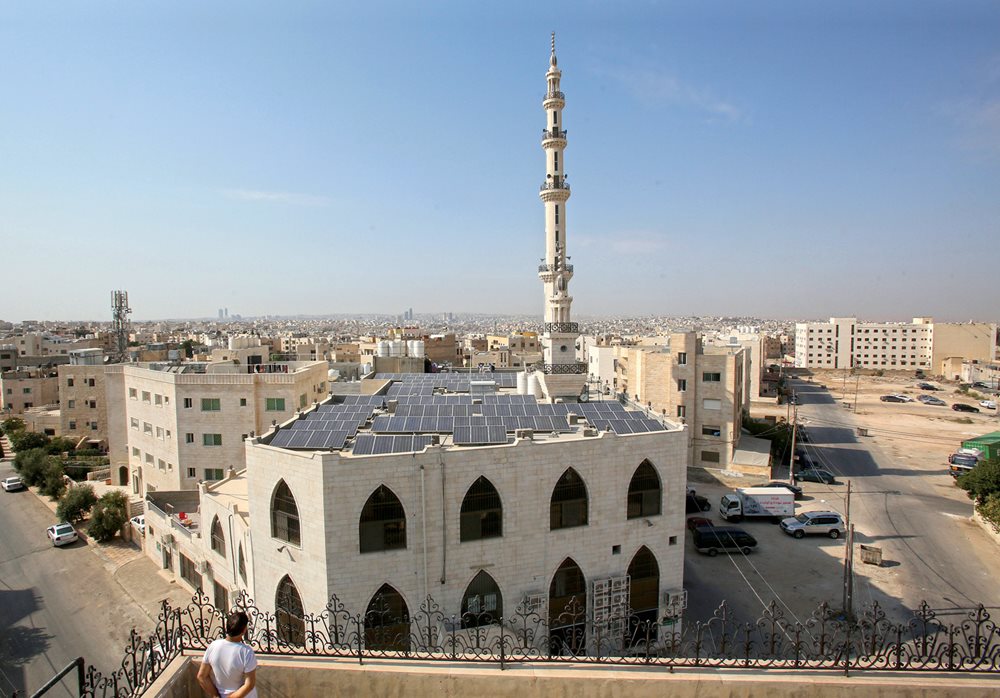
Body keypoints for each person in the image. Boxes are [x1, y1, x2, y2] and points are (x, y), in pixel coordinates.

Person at [197, 611, 257, 698]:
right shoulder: (246, 652)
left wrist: (215, 695)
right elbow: (249, 684)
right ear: (244, 630)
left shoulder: (213, 646)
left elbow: (202, 676)